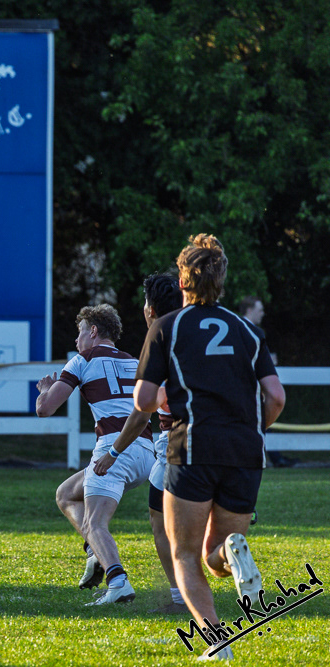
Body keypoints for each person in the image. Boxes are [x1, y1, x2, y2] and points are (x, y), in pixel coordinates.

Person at [133, 234, 285, 661]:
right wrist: (252, 430)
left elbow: (143, 401)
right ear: (221, 280)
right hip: (245, 453)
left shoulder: (167, 327)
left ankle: (217, 643)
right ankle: (232, 552)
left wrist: (165, 394)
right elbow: (276, 397)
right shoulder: (248, 330)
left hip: (192, 448)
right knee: (215, 555)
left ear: (183, 280)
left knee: (184, 554)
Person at [36, 304, 155, 606]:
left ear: (92, 331)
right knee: (65, 494)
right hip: (146, 451)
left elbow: (45, 409)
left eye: (79, 333)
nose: (76, 341)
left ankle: (118, 581)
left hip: (114, 451)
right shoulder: (135, 361)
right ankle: (94, 553)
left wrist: (44, 390)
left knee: (95, 523)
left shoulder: (82, 359)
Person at [92, 273, 185, 614]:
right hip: (222, 438)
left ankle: (180, 597)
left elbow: (142, 410)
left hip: (176, 440)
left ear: (150, 310)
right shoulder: (199, 331)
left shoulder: (157, 340)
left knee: (161, 521)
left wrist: (114, 451)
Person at [237, 295, 292, 467]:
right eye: (260, 310)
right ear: (250, 310)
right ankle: (271, 458)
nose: (263, 314)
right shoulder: (247, 331)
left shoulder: (239, 328)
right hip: (248, 392)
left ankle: (274, 457)